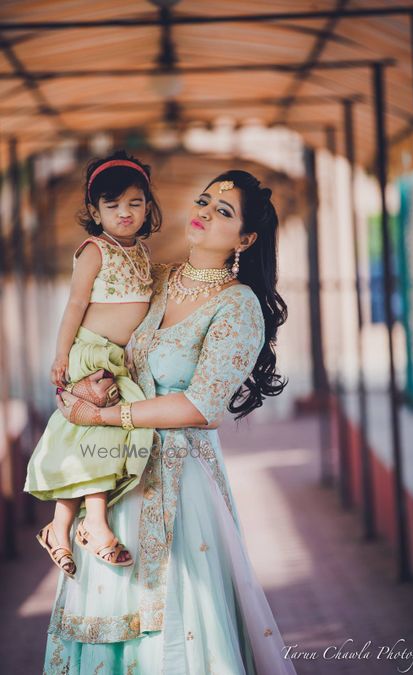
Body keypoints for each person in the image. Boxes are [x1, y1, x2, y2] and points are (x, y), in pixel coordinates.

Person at [43, 170, 296, 674]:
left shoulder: (239, 305)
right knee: (104, 606)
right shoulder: (156, 277)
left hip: (181, 484)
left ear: (246, 239)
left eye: (222, 211)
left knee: (179, 621)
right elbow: (98, 328)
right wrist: (76, 379)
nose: (203, 212)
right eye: (203, 201)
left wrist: (105, 415)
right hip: (114, 474)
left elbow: (202, 407)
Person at [24, 150, 162, 577]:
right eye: (113, 205)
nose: (125, 213)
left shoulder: (141, 252)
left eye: (135, 204)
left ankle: (61, 526)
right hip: (90, 351)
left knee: (99, 436)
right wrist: (62, 354)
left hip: (118, 359)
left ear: (148, 208)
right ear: (94, 211)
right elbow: (75, 304)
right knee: (94, 433)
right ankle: (95, 525)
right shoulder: (94, 250)